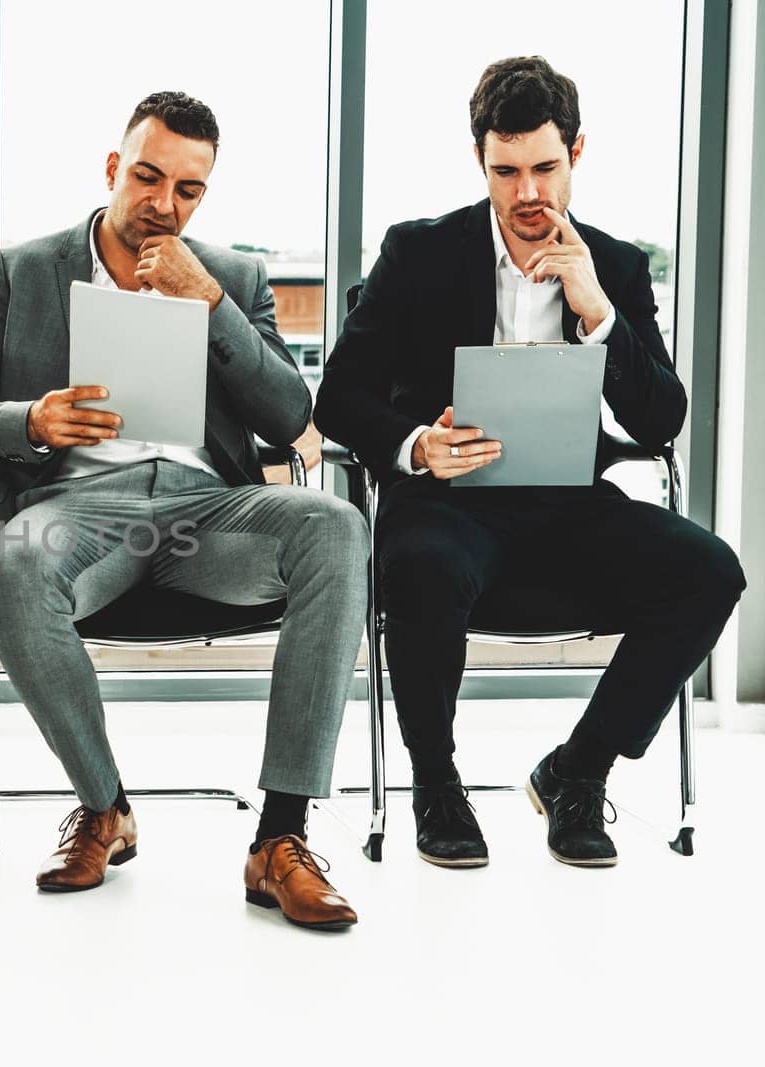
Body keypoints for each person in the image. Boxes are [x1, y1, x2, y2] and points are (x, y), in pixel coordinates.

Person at [0, 92, 367, 930]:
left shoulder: (233, 278)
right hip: (77, 507)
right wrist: (30, 419)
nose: (164, 204)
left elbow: (289, 420)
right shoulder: (22, 270)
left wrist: (210, 303)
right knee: (15, 559)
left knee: (338, 525)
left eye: (189, 190)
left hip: (210, 509)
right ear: (112, 168)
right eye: (147, 177)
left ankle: (279, 838)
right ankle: (105, 807)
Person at [314, 57, 746, 869]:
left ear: (577, 152)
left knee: (711, 570)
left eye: (544, 168)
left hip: (570, 510)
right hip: (446, 504)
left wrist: (599, 316)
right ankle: (436, 784)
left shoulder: (613, 266)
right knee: (423, 564)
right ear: (479, 161)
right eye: (505, 171)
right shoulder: (419, 253)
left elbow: (661, 420)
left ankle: (578, 770)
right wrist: (415, 443)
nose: (526, 194)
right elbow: (337, 397)